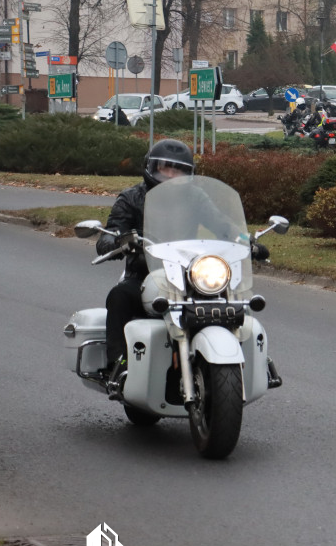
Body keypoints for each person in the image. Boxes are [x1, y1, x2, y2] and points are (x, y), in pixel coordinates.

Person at [95, 140, 269, 400]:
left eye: (178, 171)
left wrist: (247, 242)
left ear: (189, 175)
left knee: (234, 303)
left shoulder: (196, 197)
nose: (170, 175)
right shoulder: (131, 198)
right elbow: (110, 234)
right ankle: (118, 366)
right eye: (164, 169)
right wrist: (118, 241)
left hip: (191, 275)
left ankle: (255, 366)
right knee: (119, 297)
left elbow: (223, 225)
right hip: (145, 275)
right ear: (150, 168)